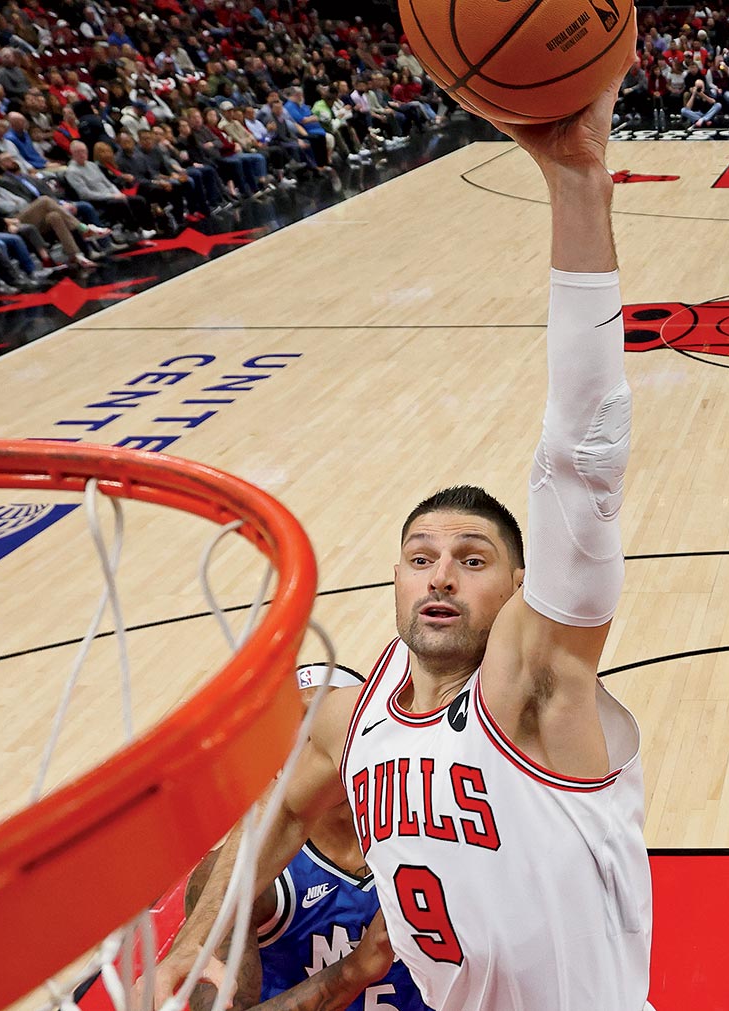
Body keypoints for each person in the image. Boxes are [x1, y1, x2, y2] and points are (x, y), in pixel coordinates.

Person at [150, 46, 652, 1011]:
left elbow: (583, 459)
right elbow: (269, 822)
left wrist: (578, 183)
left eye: (473, 560)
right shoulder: (358, 715)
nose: (441, 576)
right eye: (421, 557)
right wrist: (202, 936)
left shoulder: (540, 689)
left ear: (519, 590)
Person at [185, 663, 430, 1011]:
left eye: (326, 726)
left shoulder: (439, 836)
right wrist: (353, 971)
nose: (313, 741)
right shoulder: (233, 879)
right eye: (294, 731)